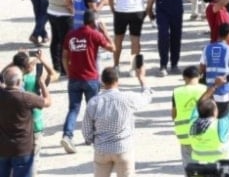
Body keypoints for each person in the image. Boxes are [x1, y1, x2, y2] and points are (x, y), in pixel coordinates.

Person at [81, 65, 154, 177]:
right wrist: (142, 79)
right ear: (117, 80)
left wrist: (92, 140)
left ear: (102, 82)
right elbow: (146, 97)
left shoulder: (94, 102)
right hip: (123, 148)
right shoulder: (126, 98)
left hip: (102, 150)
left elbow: (86, 129)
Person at [61, 10, 114, 154]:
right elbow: (113, 48)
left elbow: (64, 56)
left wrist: (68, 72)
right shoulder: (94, 34)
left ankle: (67, 135)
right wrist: (105, 31)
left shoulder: (71, 34)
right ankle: (91, 137)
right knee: (94, 109)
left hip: (74, 78)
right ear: (94, 23)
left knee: (73, 109)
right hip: (90, 78)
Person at [0, 64, 51, 177]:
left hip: (2, 148)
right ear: (19, 82)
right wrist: (41, 82)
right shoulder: (26, 98)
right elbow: (47, 102)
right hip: (22, 149)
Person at [150, 0, 188, 75]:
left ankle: (175, 64)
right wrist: (149, 9)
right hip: (162, 11)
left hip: (177, 11)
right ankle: (163, 65)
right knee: (163, 36)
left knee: (176, 37)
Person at [188, 77, 229, 165]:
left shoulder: (193, 123)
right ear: (215, 112)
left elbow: (199, 103)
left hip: (200, 164)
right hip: (220, 165)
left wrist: (215, 85)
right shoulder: (220, 125)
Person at [199, 23, 229, 121]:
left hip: (209, 92)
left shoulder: (207, 48)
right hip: (224, 93)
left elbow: (201, 68)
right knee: (222, 122)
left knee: (209, 120)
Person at [44, 0, 75, 76]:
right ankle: (64, 68)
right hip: (63, 13)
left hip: (51, 10)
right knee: (65, 41)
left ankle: (56, 67)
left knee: (55, 39)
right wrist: (71, 5)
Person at [171, 66, 207, 167]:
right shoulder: (205, 89)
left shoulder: (177, 92)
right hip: (203, 133)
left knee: (190, 165)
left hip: (184, 134)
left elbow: (174, 114)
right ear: (199, 76)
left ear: (184, 78)